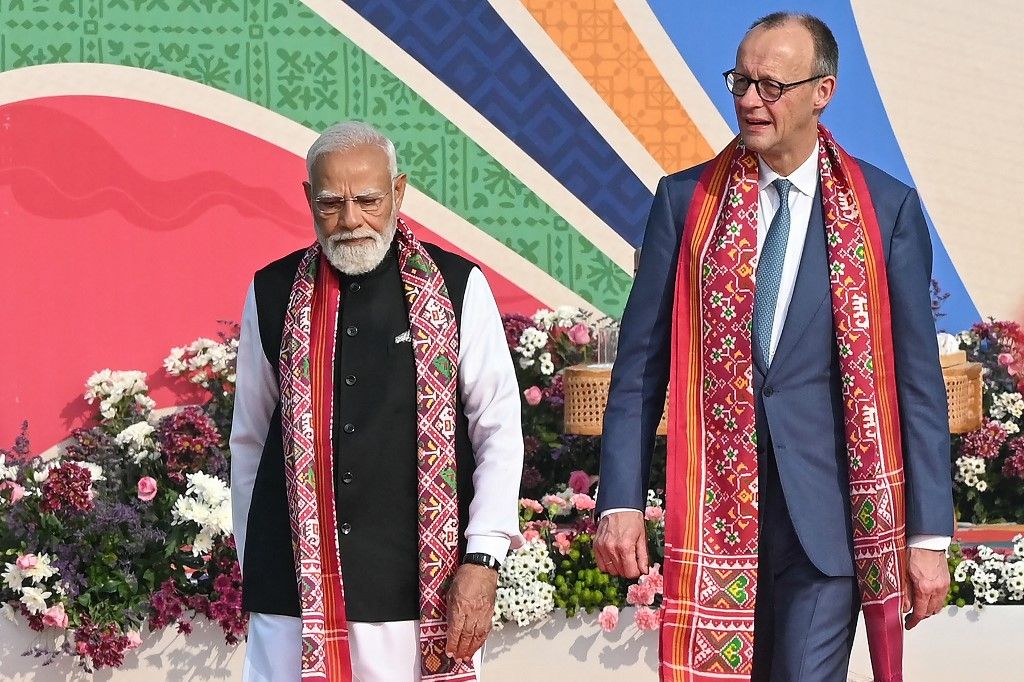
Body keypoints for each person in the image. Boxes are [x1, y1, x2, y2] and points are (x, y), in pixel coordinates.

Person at [594, 12, 953, 682]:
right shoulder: (686, 202)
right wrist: (619, 500)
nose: (750, 101)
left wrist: (929, 538)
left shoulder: (885, 208)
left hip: (828, 528)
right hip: (715, 519)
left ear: (823, 91)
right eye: (741, 82)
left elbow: (917, 386)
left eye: (770, 85)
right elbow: (641, 369)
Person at [230, 121, 524, 681]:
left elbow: (498, 430)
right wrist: (258, 559)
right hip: (293, 595)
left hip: (419, 592)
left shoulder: (459, 287)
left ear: (400, 191)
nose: (350, 221)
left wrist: (483, 557)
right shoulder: (270, 291)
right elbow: (250, 437)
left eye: (368, 199)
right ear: (307, 198)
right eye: (331, 203)